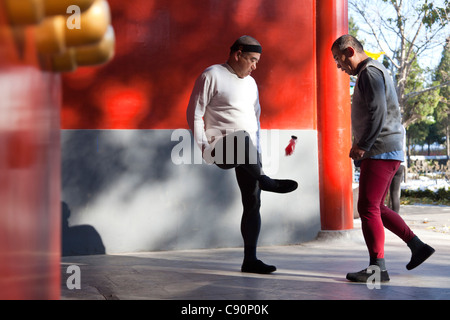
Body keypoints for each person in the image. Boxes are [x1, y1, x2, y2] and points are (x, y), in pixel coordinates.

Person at [186, 35, 298, 274]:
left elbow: (255, 121)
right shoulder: (212, 75)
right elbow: (194, 114)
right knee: (242, 137)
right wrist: (204, 147)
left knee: (253, 202)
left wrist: (257, 154)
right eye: (252, 60)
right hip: (220, 148)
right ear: (237, 54)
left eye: (257, 61)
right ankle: (266, 180)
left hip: (247, 151)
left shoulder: (251, 84)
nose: (255, 66)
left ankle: (250, 260)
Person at [331, 34, 435, 282]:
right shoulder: (371, 71)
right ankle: (417, 246)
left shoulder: (370, 72)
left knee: (367, 207)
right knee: (376, 206)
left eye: (338, 59)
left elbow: (378, 112)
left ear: (349, 51)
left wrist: (363, 145)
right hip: (383, 150)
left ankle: (377, 270)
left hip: (380, 149)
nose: (338, 65)